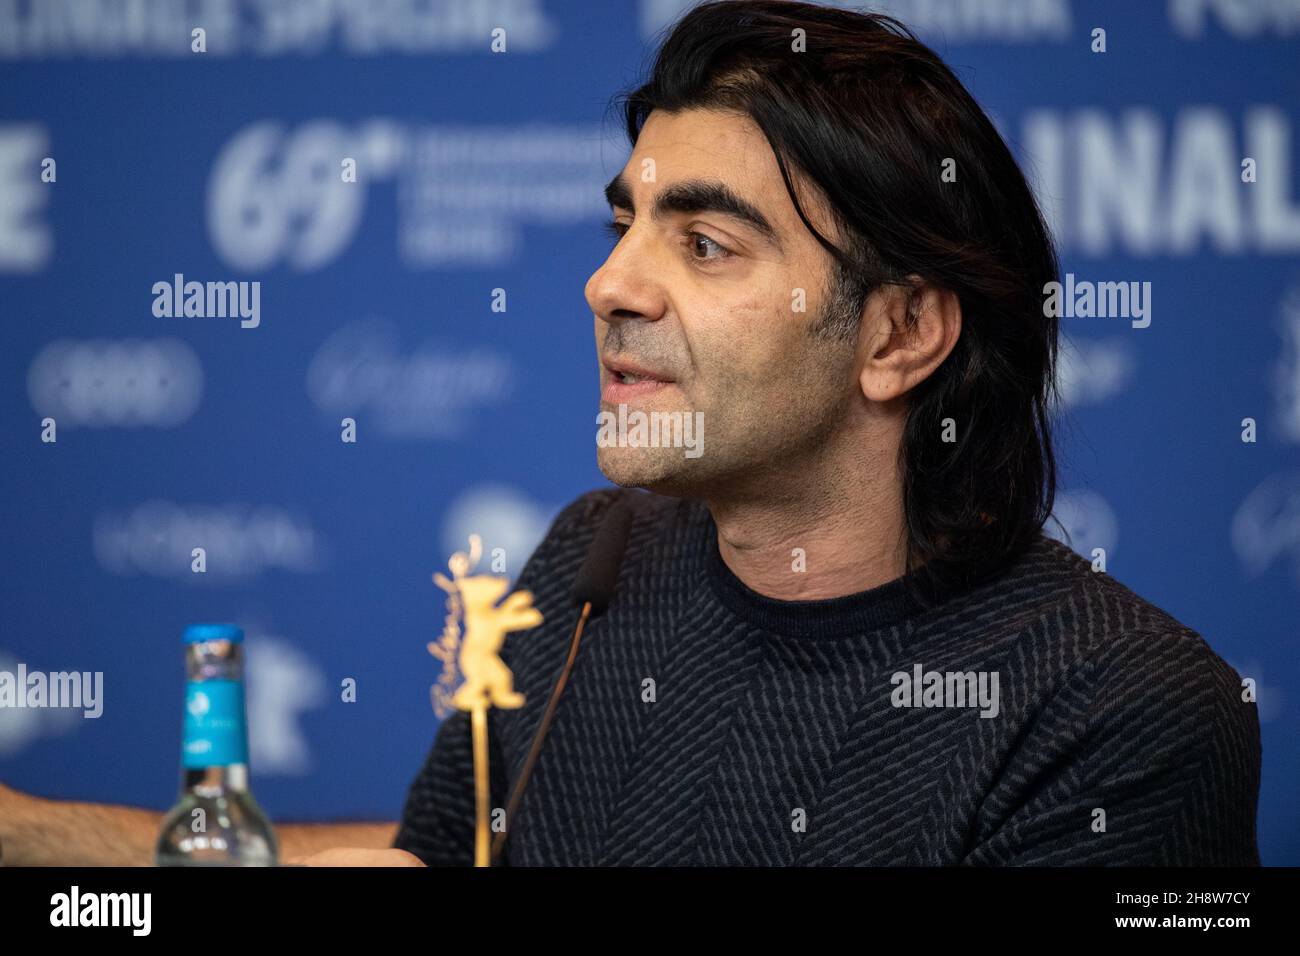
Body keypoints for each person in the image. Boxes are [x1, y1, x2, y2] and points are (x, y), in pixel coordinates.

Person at [0, 0, 1260, 867]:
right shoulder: (599, 556)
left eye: (704, 244)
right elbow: (432, 862)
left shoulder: (1124, 708)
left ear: (899, 335)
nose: (610, 286)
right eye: (624, 228)